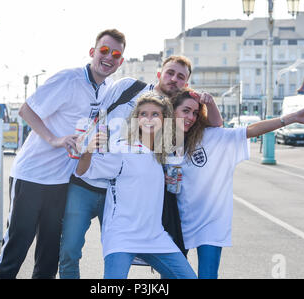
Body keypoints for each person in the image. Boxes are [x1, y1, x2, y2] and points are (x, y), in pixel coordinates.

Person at [59, 55, 223, 278]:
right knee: (70, 251)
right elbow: (95, 114)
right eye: (170, 73)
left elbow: (215, 127)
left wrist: (209, 102)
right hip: (91, 184)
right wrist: (85, 145)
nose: (174, 79)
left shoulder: (174, 115)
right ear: (159, 73)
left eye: (181, 77)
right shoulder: (128, 87)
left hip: (133, 204)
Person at [0, 29, 126, 279]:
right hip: (32, 176)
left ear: (120, 62)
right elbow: (26, 110)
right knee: (16, 249)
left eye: (116, 54)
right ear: (92, 52)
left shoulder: (107, 89)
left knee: (48, 256)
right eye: (104, 51)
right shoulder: (69, 79)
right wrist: (54, 139)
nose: (109, 58)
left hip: (63, 183)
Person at [166, 88, 304, 279]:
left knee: (207, 275)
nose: (191, 117)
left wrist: (289, 118)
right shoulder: (162, 141)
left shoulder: (212, 137)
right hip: (177, 221)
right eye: (186, 111)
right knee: (171, 277)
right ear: (172, 111)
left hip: (210, 224)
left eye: (195, 112)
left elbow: (250, 130)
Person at [75, 94, 197, 279]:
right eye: (143, 114)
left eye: (155, 114)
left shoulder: (161, 154)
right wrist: (89, 150)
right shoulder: (121, 149)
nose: (149, 119)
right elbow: (83, 171)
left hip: (154, 236)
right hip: (122, 236)